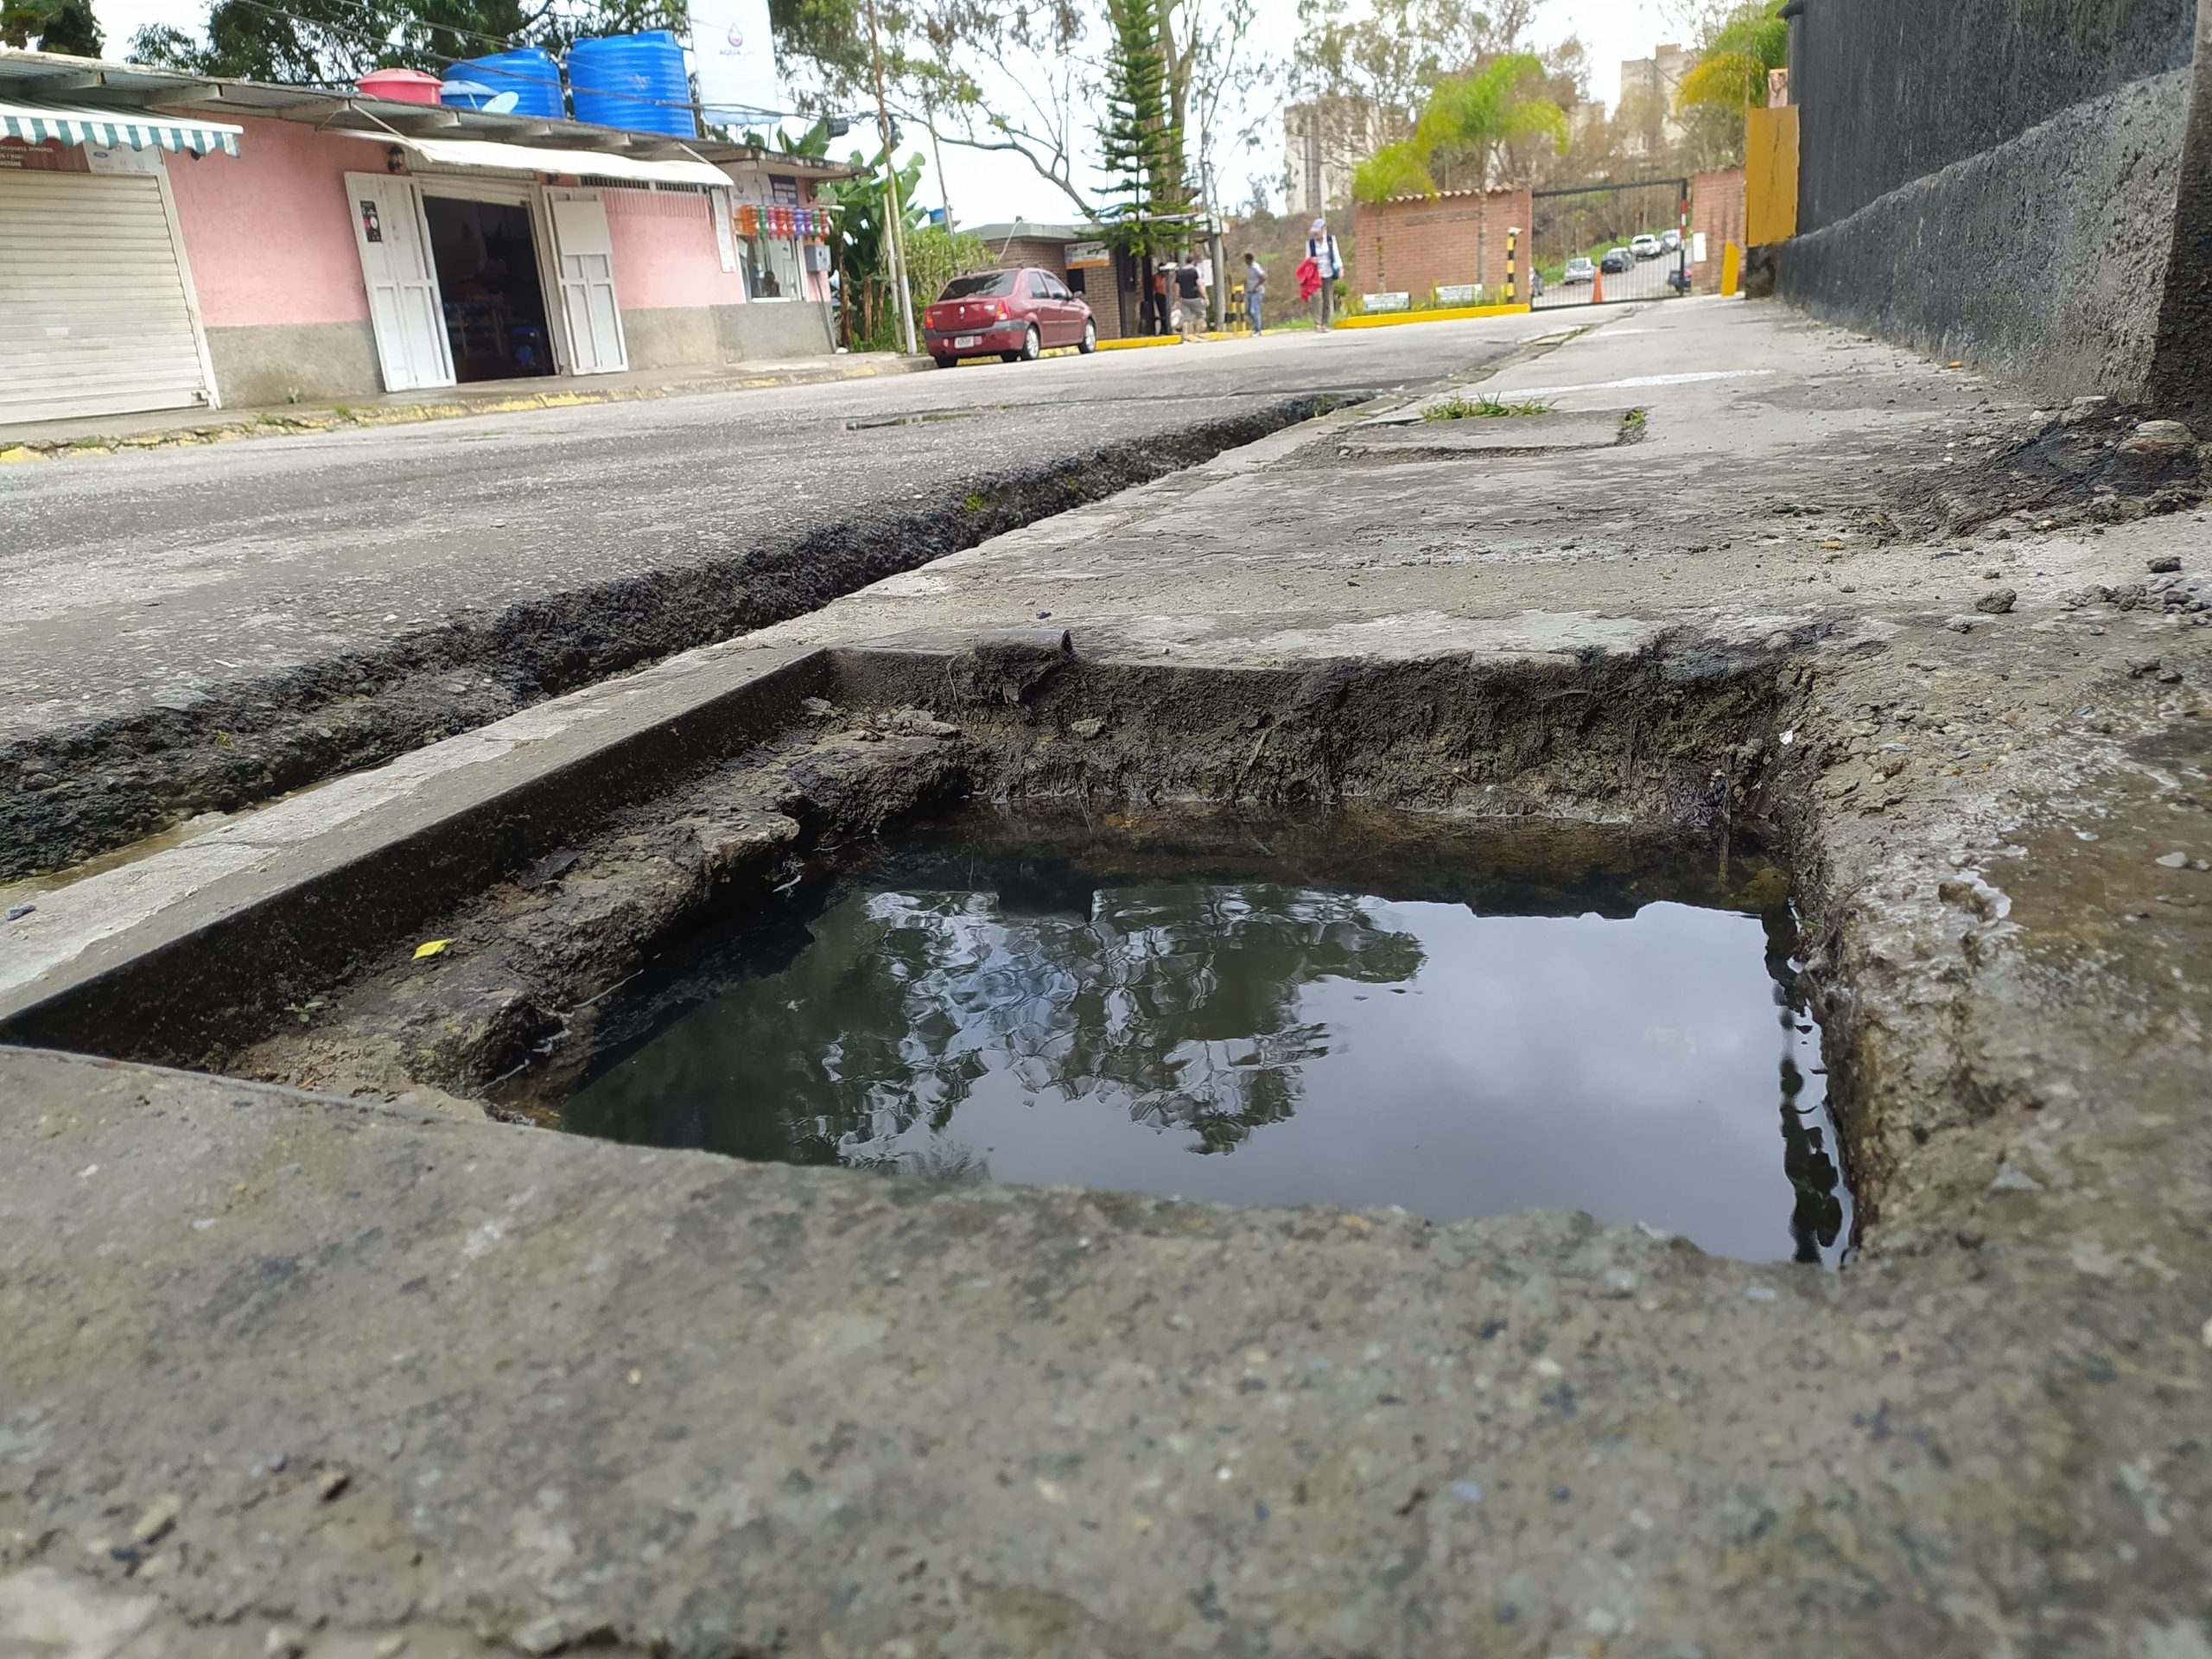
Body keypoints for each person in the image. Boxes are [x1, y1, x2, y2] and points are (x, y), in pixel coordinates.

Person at [1305, 217, 1342, 329]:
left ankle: (1325, 323)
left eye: (1318, 231)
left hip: (1329, 272)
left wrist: (1341, 268)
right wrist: (1311, 260)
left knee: (1327, 298)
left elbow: (1336, 254)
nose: (1315, 234)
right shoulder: (1310, 243)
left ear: (1323, 230)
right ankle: (1317, 322)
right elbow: (1306, 259)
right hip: (1316, 274)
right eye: (1314, 232)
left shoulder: (1331, 240)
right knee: (1316, 297)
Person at [1174, 251, 1205, 340]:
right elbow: (1199, 284)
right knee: (1201, 315)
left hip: (1184, 298)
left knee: (1186, 318)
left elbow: (1177, 288)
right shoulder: (1194, 271)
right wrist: (1204, 296)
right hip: (1195, 297)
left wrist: (1177, 299)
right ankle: (1197, 334)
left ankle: (1185, 336)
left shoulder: (1179, 272)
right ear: (1193, 261)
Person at [1242, 251, 1266, 334]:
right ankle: (1257, 324)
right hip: (1250, 291)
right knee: (1248, 310)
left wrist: (1256, 286)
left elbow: (1263, 277)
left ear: (1249, 259)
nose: (1244, 261)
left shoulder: (1255, 267)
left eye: (1245, 259)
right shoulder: (1249, 268)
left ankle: (1258, 329)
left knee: (1255, 310)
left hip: (1257, 291)